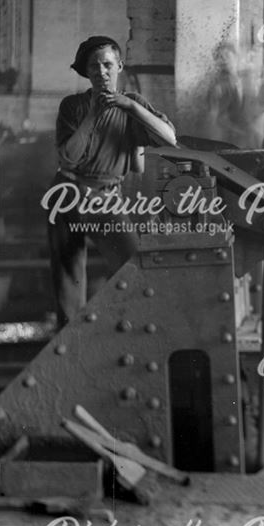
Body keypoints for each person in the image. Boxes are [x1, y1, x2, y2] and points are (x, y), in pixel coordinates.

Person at [48, 36, 177, 327]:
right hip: (68, 193)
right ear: (86, 72)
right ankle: (70, 342)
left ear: (120, 65)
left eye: (107, 64)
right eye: (93, 66)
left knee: (132, 265)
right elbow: (68, 158)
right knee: (70, 278)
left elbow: (169, 137)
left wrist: (130, 108)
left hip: (106, 198)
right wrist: (94, 113)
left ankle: (120, 329)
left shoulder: (133, 104)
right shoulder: (73, 106)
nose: (101, 71)